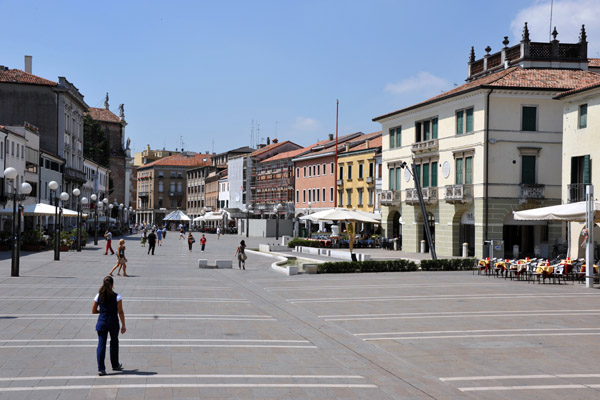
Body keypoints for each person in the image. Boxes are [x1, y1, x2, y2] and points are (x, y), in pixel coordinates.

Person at [92, 276, 126, 376]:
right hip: (113, 322)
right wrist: (123, 325)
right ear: (112, 285)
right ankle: (115, 364)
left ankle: (101, 369)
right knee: (114, 342)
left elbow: (93, 311)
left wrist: (102, 311)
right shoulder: (117, 296)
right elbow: (120, 312)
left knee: (101, 344)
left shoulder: (98, 296)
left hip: (102, 322)